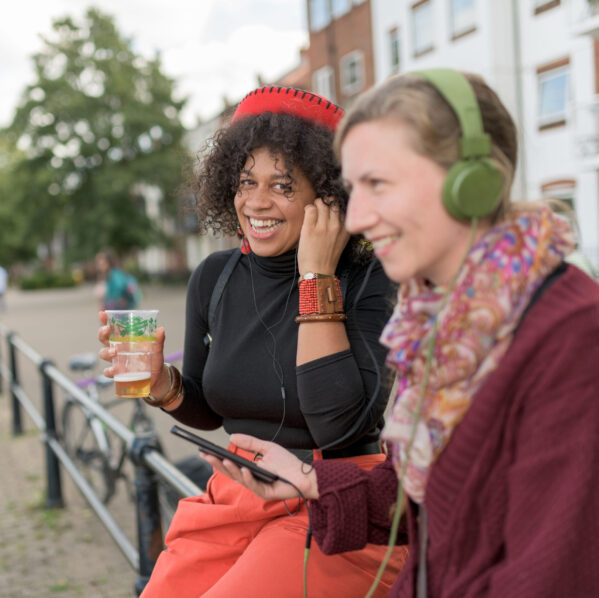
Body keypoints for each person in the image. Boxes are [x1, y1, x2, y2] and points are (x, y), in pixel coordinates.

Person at [204, 69, 599, 597]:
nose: (359, 217)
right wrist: (308, 481)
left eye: (378, 185)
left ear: (468, 184)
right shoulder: (448, 321)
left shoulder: (571, 338)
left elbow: (550, 573)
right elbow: (420, 497)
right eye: (354, 188)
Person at [97, 86, 406, 597]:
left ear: (329, 195)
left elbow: (339, 424)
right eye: (246, 182)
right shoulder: (215, 276)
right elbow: (211, 409)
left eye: (282, 185)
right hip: (238, 495)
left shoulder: (371, 277)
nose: (256, 202)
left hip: (337, 503)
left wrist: (315, 277)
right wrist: (160, 384)